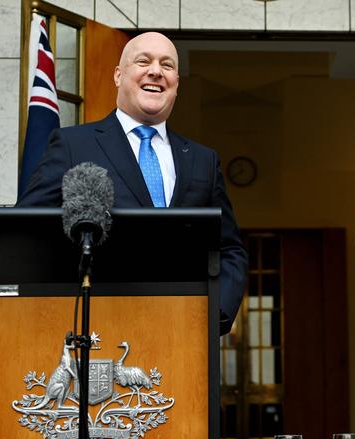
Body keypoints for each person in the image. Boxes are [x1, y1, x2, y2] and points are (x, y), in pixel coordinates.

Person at [18, 32, 247, 334]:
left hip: (183, 334)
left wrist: (216, 312)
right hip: (96, 331)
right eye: (143, 61)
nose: (156, 71)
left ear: (176, 83)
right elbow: (26, 232)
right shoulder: (73, 145)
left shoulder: (202, 160)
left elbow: (229, 248)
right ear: (118, 75)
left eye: (167, 65)